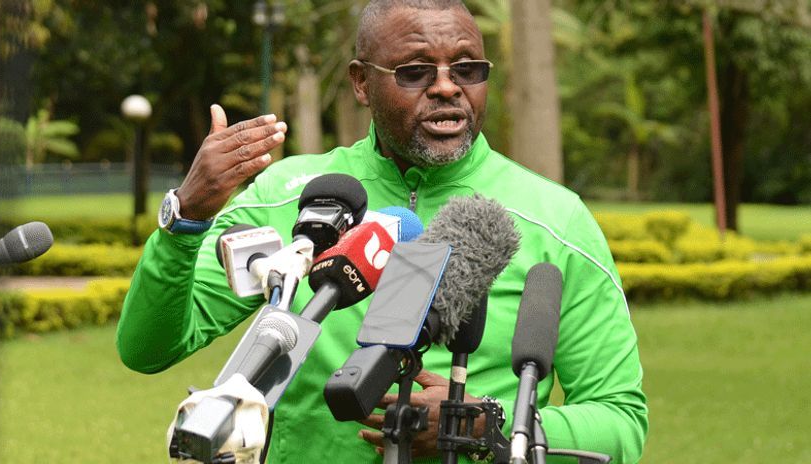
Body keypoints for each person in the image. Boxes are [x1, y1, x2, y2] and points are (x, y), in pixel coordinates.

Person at [116, 1, 648, 462]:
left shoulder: (557, 219)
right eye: (415, 71)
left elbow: (621, 423)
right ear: (360, 82)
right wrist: (184, 221)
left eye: (468, 68)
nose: (446, 87)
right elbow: (147, 348)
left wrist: (489, 425)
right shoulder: (289, 197)